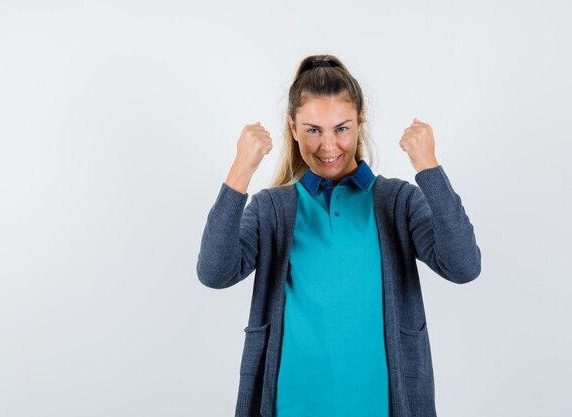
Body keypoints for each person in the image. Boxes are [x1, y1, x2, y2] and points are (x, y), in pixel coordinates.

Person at [196, 54, 481, 417]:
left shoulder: (397, 202)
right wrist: (241, 170)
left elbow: (463, 266)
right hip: (289, 406)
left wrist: (429, 167)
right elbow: (214, 272)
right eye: (313, 129)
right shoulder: (272, 209)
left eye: (341, 128)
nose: (328, 146)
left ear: (361, 121)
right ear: (292, 126)